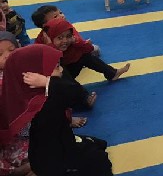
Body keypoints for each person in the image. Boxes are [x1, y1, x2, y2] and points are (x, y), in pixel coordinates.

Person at [0, 45, 114, 175]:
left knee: (96, 144)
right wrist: (48, 82)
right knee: (101, 161)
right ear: (35, 74)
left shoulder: (30, 95)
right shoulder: (41, 103)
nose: (61, 70)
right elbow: (74, 93)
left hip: (50, 148)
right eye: (56, 67)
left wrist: (48, 83)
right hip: (54, 158)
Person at [41, 18, 130, 83]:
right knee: (60, 72)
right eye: (60, 38)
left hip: (68, 67)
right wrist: (50, 46)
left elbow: (89, 49)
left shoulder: (67, 29)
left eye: (68, 36)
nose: (65, 40)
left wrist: (76, 41)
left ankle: (112, 74)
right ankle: (82, 97)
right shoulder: (42, 43)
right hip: (53, 78)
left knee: (85, 56)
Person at [0, 32, 31, 176]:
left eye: (11, 50)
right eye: (0, 54)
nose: (7, 56)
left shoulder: (24, 70)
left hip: (23, 126)